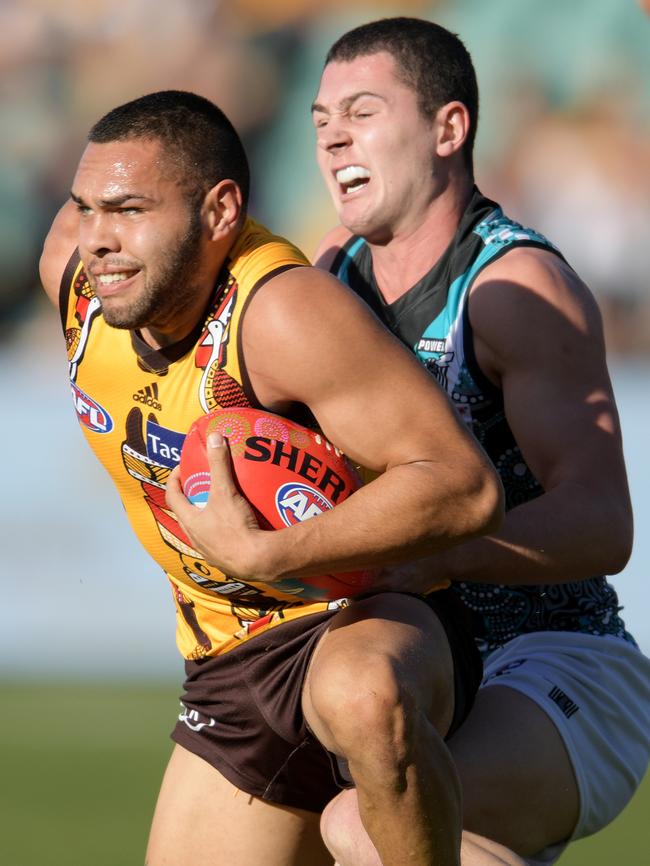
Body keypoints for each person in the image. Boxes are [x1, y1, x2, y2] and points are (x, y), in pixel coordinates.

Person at [39, 90, 506, 866]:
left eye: (127, 209)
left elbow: (465, 486)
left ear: (221, 211)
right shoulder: (78, 275)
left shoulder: (281, 315)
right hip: (227, 663)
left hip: (359, 617)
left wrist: (269, 555)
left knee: (362, 697)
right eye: (87, 207)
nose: (99, 239)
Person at [310, 16, 650, 866]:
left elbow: (603, 526)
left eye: (361, 111)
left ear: (449, 128)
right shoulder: (327, 284)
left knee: (366, 827)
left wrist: (443, 552)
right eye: (319, 122)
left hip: (558, 666)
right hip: (419, 665)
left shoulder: (512, 289)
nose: (333, 138)